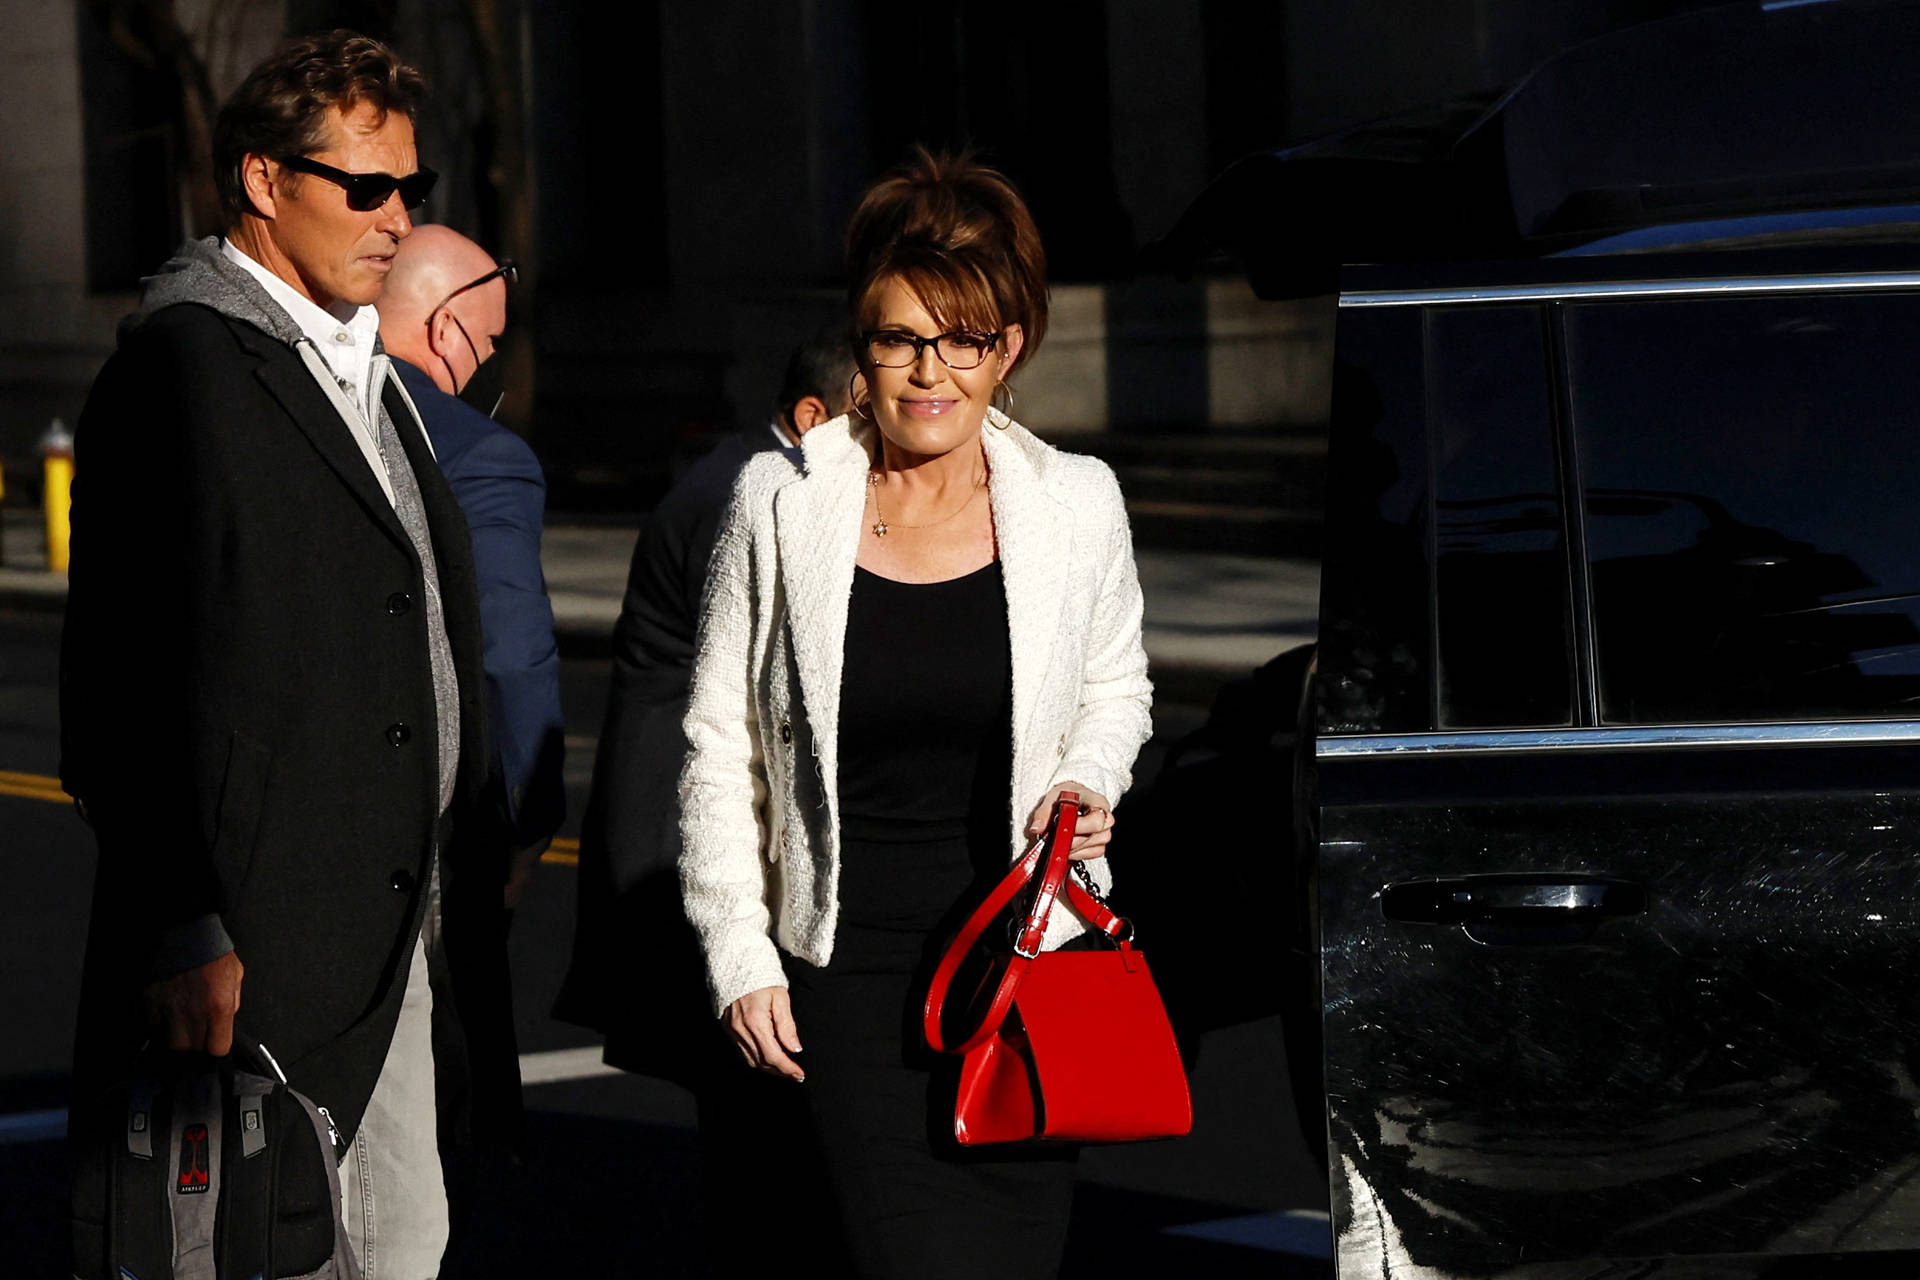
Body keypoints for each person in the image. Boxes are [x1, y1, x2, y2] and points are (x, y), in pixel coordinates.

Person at [60, 31, 510, 1278]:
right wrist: (181, 919)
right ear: (264, 182)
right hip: (258, 961)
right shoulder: (182, 369)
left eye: (410, 188)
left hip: (390, 939)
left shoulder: (364, 372)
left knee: (404, 1246)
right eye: (363, 188)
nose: (396, 218)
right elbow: (118, 679)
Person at [678, 149, 1153, 1279]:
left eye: (964, 340)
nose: (929, 370)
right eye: (900, 337)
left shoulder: (1076, 503)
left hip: (1026, 969)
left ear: (1010, 350)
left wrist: (1090, 776)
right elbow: (717, 746)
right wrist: (740, 953)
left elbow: (1118, 685)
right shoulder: (780, 502)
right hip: (847, 982)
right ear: (864, 346)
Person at [553, 334, 854, 1270]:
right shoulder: (749, 496)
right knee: (757, 1111)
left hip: (675, 810)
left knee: (757, 1119)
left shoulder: (751, 474)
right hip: (689, 828)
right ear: (813, 418)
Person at [378, 224, 564, 911]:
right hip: (439, 839)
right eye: (487, 344)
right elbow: (510, 652)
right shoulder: (481, 455)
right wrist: (527, 817)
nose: (487, 365)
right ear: (445, 326)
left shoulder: (290, 412)